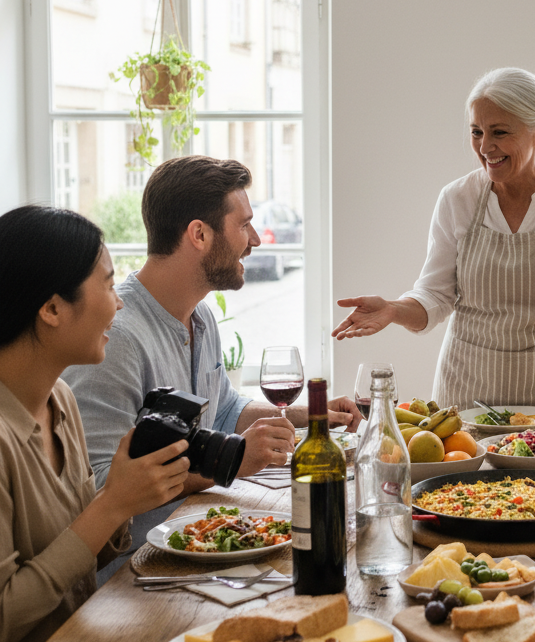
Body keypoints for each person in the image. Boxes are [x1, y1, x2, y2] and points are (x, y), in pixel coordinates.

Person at [64, 157, 362, 574]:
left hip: (201, 544)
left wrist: (309, 416)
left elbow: (222, 410)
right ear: (199, 234)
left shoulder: (200, 318)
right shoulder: (116, 340)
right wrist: (231, 460)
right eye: (243, 225)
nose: (256, 239)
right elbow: (99, 488)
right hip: (136, 572)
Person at [333, 67, 535, 415]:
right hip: (469, 390)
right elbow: (435, 295)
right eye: (476, 132)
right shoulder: (457, 199)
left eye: (499, 132)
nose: (485, 147)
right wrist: (394, 310)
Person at [0, 206, 189, 642]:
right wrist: (113, 505)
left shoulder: (60, 400)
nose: (119, 301)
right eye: (107, 285)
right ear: (51, 308)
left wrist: (126, 492)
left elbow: (86, 555)